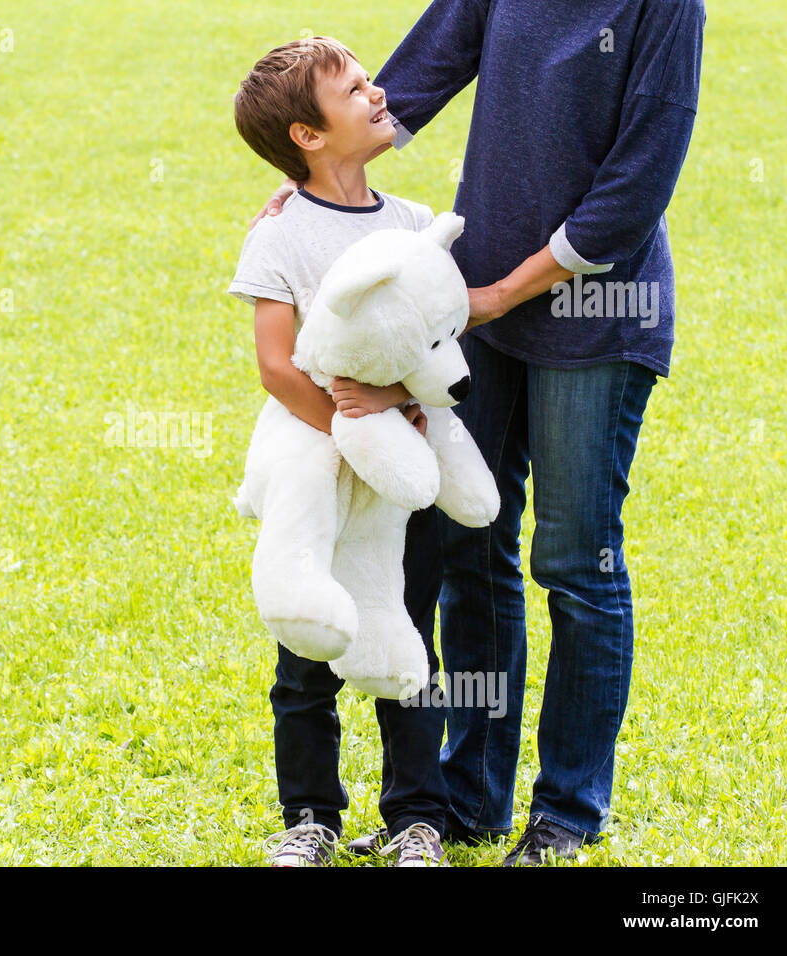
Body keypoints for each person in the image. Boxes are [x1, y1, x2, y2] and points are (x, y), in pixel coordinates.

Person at [251, 0, 705, 865]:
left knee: (575, 562)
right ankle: (471, 797)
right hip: (466, 309)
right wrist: (310, 172)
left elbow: (639, 180)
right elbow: (421, 67)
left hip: (593, 317)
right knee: (471, 545)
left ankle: (567, 811)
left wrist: (500, 293)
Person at [228, 36, 457, 867]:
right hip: (319, 468)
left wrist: (394, 410)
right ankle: (311, 815)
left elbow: (433, 346)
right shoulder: (280, 235)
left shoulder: (410, 226)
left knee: (405, 632)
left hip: (400, 469)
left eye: (369, 80)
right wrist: (345, 434)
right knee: (308, 651)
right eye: (356, 89)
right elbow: (275, 365)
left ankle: (417, 816)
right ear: (308, 137)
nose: (378, 93)